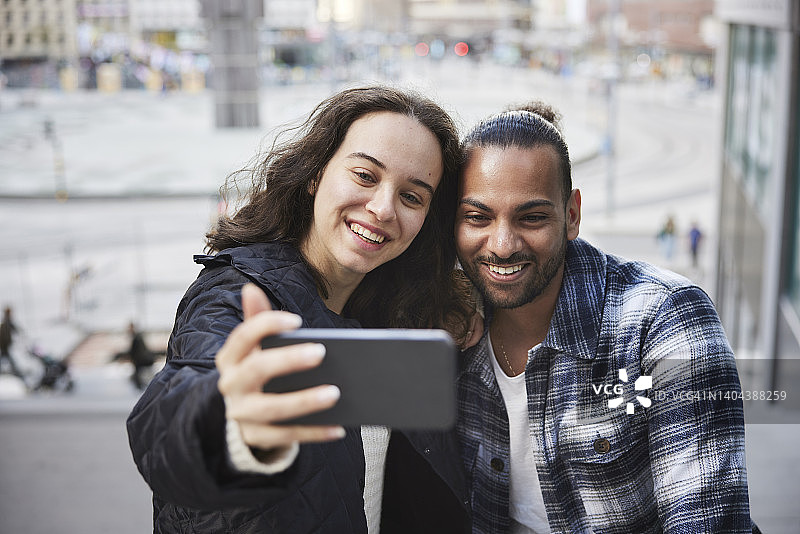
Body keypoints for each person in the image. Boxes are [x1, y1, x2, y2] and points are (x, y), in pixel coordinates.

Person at [126, 86, 474, 533]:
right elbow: (169, 424)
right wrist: (230, 421)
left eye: (412, 196)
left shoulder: (394, 312)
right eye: (365, 176)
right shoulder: (235, 295)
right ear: (315, 176)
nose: (383, 208)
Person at [454, 102, 757, 533]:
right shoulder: (445, 322)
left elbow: (708, 520)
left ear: (572, 215)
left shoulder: (665, 321)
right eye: (477, 217)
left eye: (532, 217)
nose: (502, 244)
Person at [126, 322, 155, 389]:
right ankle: (141, 387)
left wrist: (132, 358)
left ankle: (141, 387)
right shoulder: (136, 336)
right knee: (140, 375)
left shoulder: (137, 337)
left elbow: (137, 350)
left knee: (141, 375)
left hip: (141, 360)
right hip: (141, 360)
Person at [0, 305, 25, 381]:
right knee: (8, 358)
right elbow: (13, 328)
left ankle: (16, 371)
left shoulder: (5, 320)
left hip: (4, 344)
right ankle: (17, 372)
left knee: (5, 357)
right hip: (4, 344)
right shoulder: (6, 321)